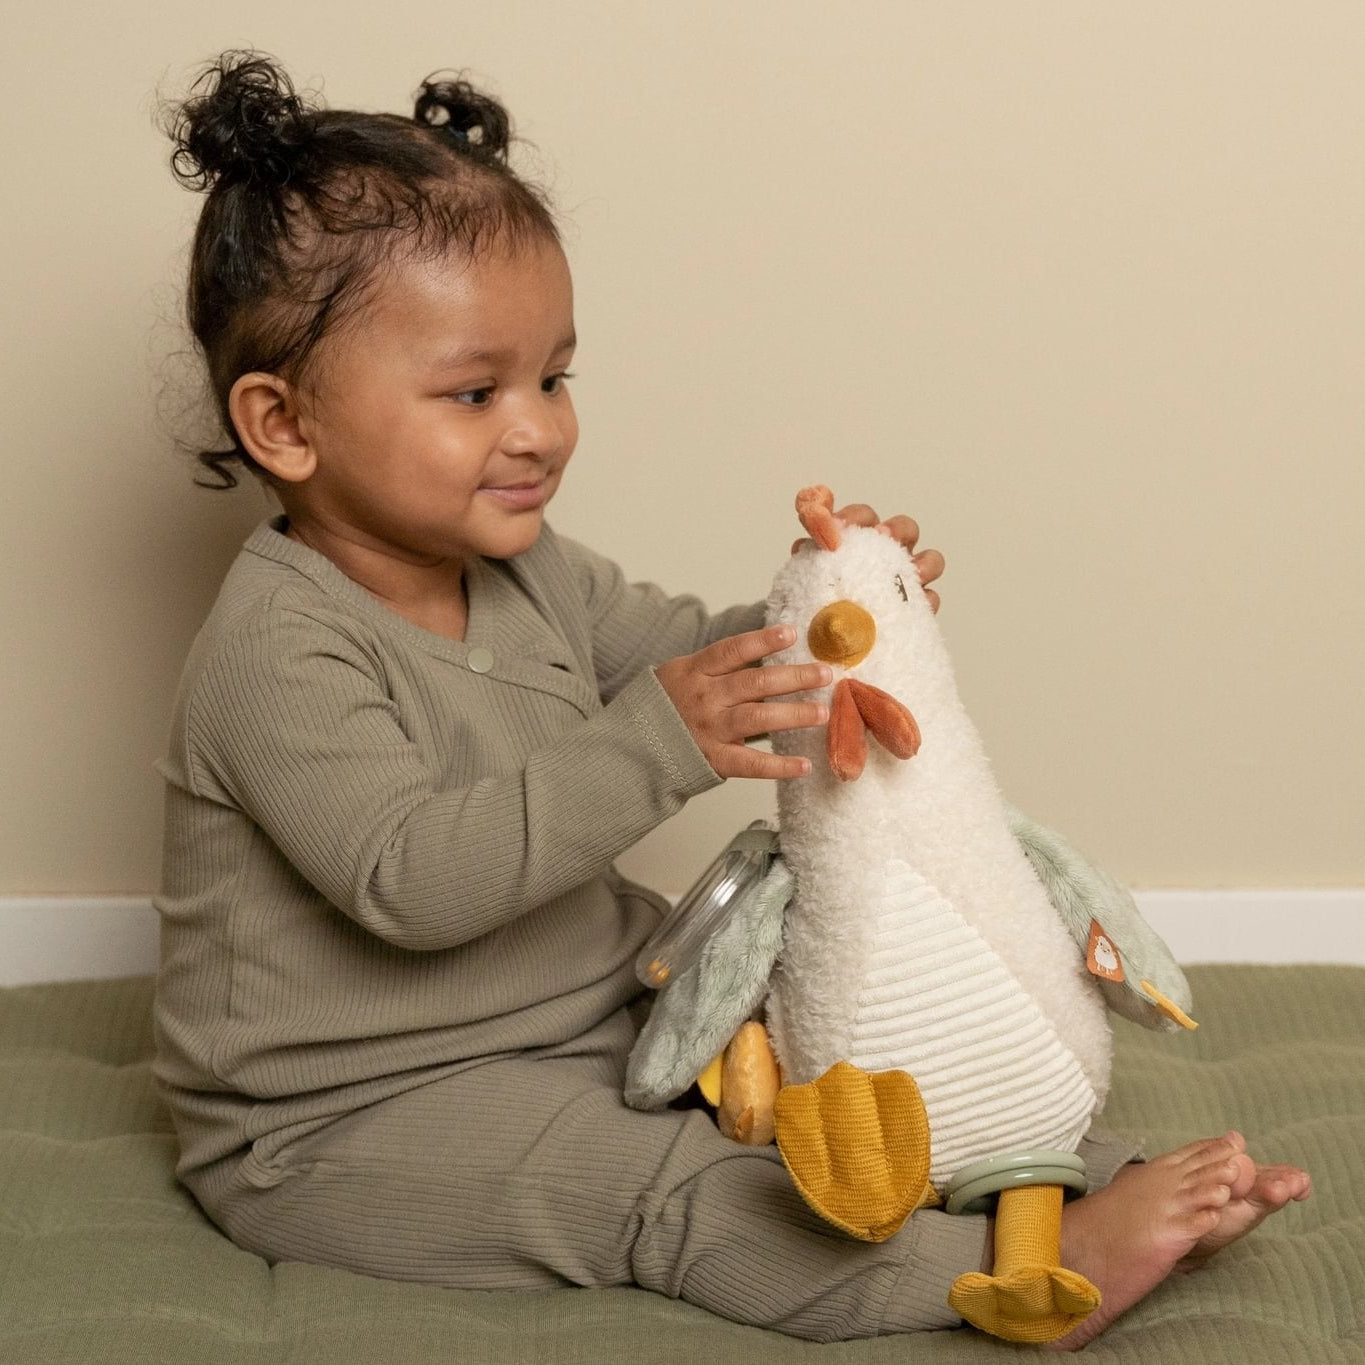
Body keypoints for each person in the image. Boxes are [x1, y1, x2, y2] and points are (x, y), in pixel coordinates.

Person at [153, 52, 1309, 1348]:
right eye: (477, 392)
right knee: (666, 1190)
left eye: (553, 378)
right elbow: (414, 878)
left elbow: (697, 654)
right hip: (353, 1115)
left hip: (584, 1014)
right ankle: (1001, 1269)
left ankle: (1035, 1161)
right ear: (285, 424)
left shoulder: (524, 572)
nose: (537, 428)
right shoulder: (275, 650)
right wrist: (660, 736)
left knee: (831, 1042)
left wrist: (839, 621)